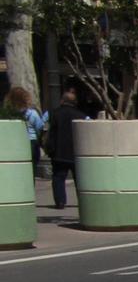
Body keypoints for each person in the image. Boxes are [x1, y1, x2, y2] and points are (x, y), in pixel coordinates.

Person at [47, 84, 87, 214]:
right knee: (79, 178)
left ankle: (60, 201)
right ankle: (82, 199)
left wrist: (49, 148)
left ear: (62, 100)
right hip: (76, 152)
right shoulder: (80, 115)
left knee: (58, 177)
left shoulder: (54, 114)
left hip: (59, 152)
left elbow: (50, 132)